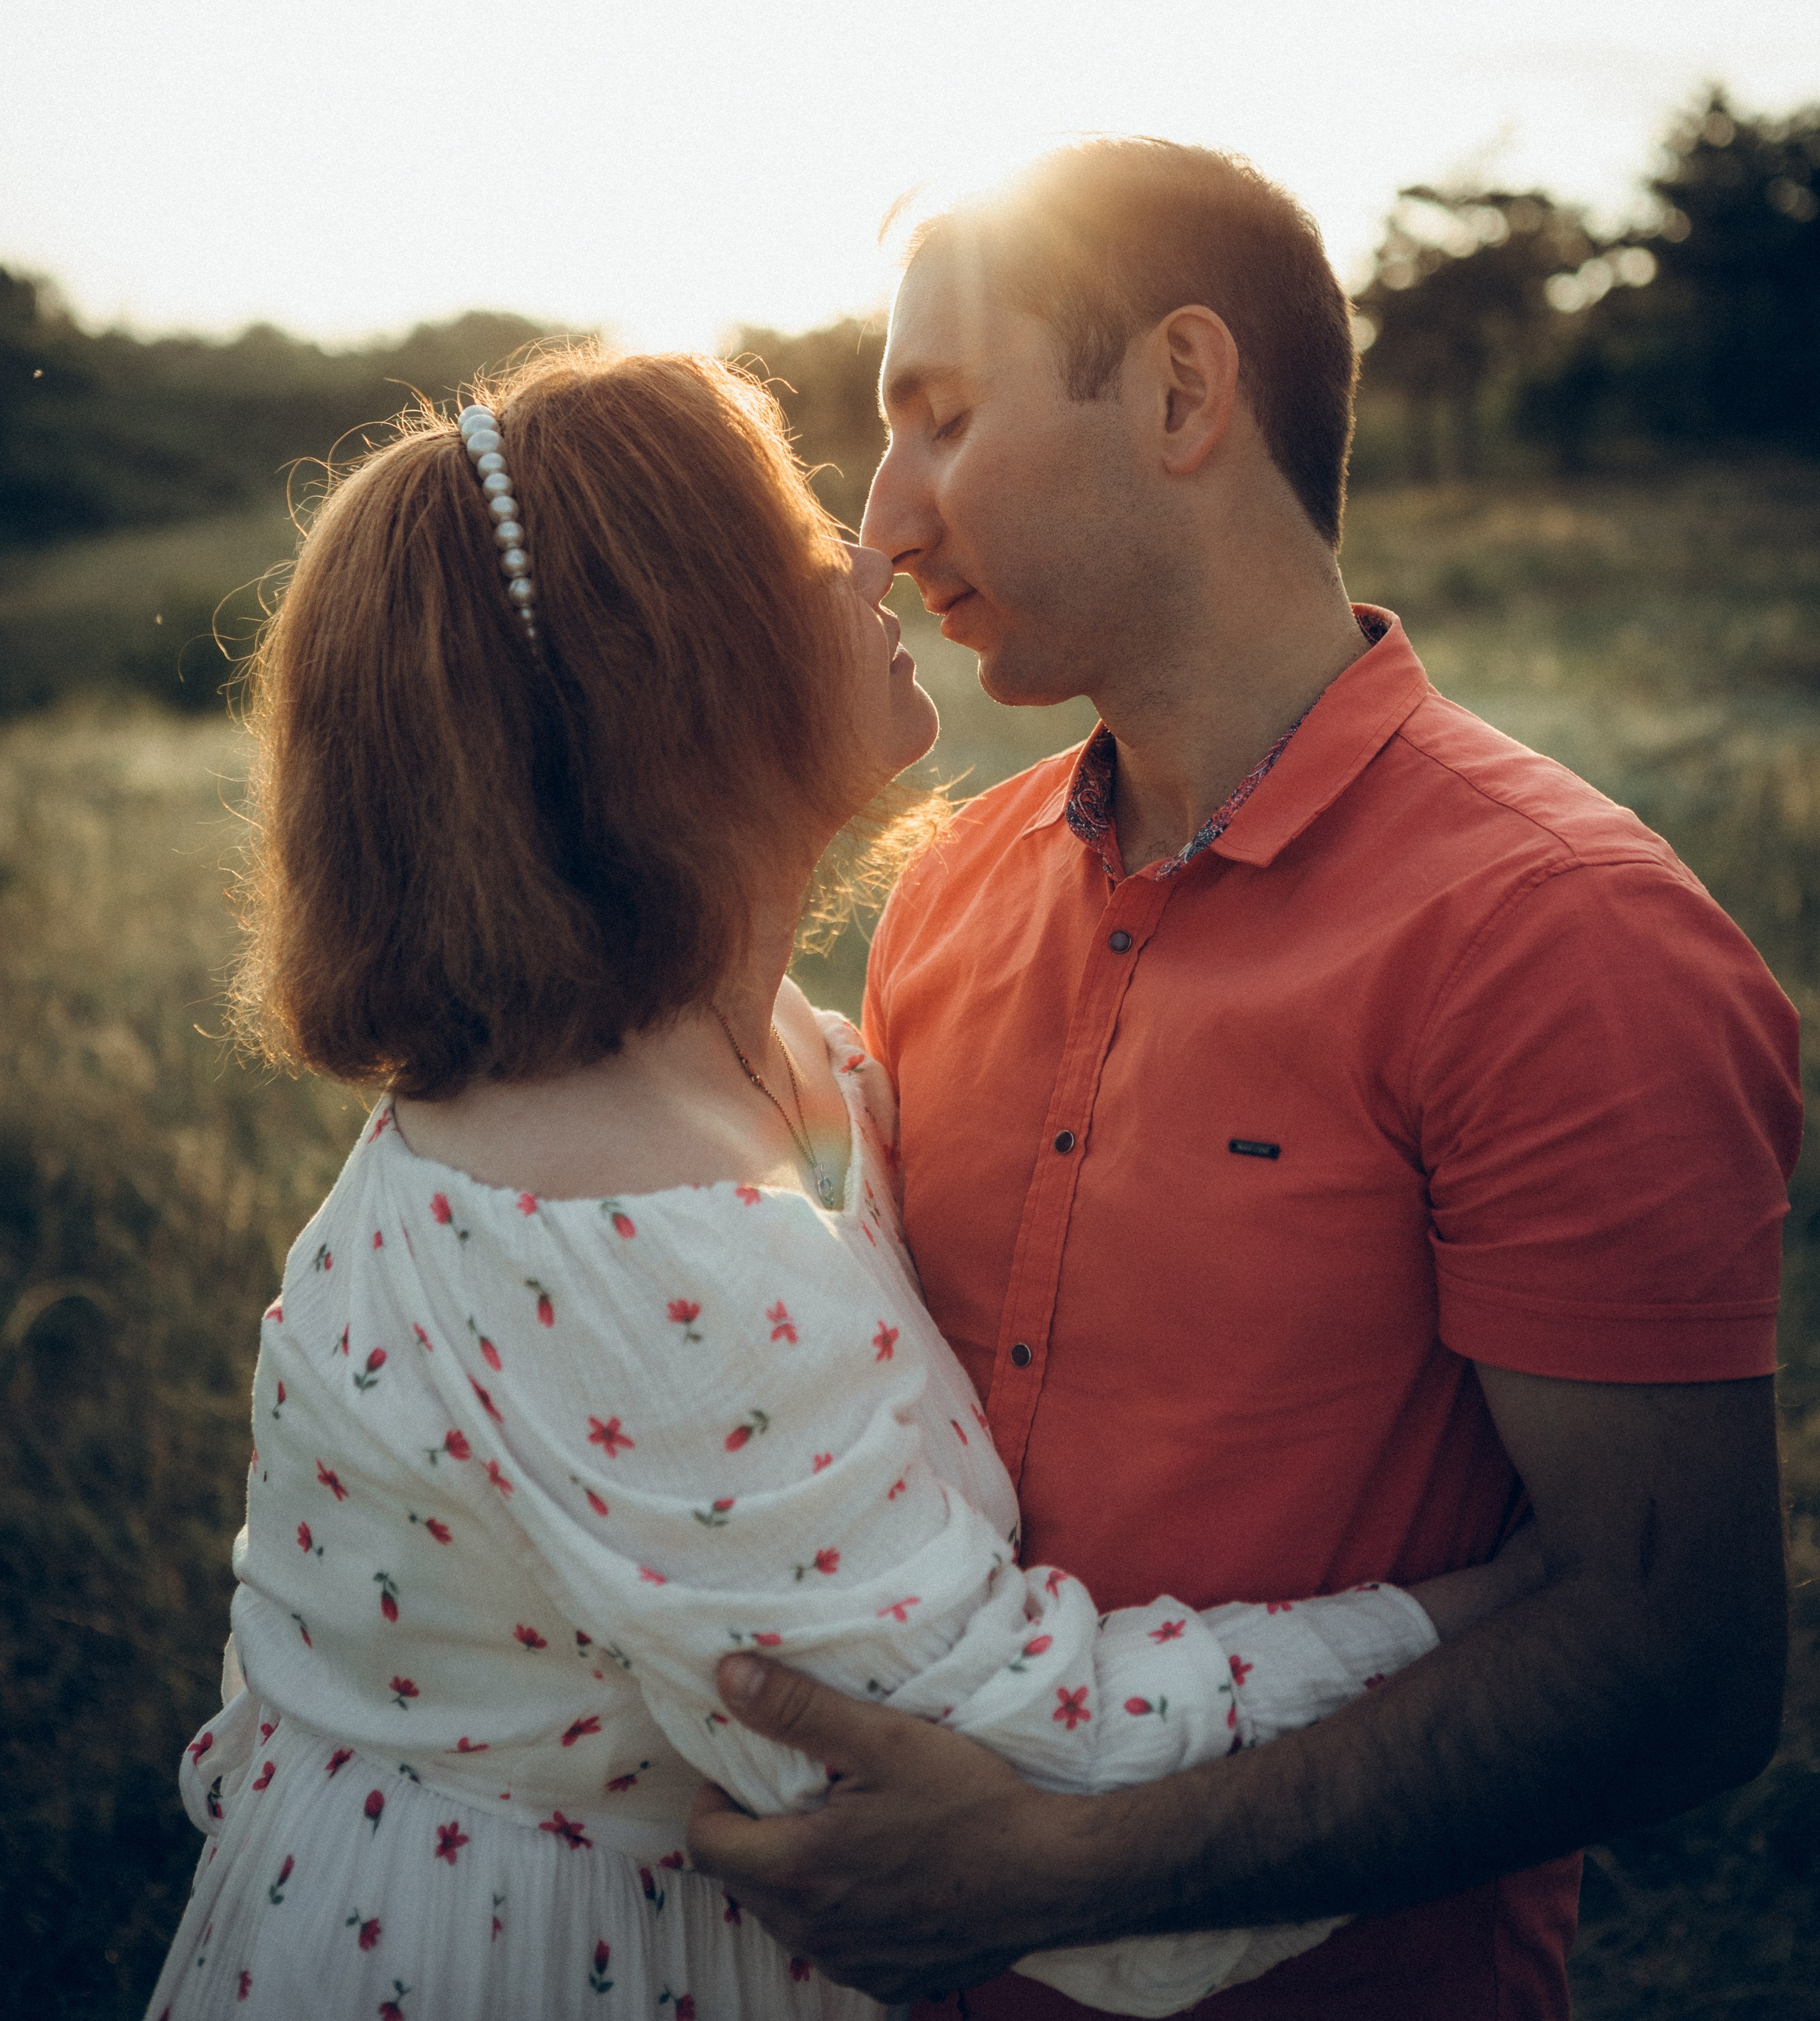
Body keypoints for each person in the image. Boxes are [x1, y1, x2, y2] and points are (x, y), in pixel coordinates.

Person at [146, 345, 1531, 2021]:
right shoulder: (621, 1232)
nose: (862, 549)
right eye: (792, 526)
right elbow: (1007, 1760)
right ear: (675, 679)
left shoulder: (742, 1057)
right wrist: (1512, 1614)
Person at [682, 139, 1803, 2021]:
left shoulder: (1564, 940)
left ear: (1185, 391)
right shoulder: (943, 889)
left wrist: (1058, 1878)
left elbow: (1680, 1667)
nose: (877, 518)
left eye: (941, 419)